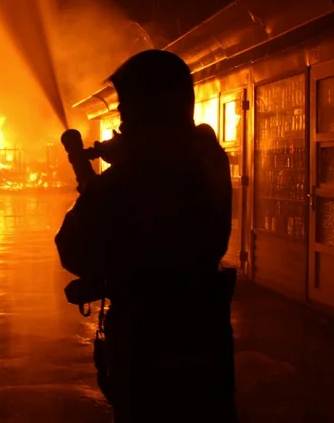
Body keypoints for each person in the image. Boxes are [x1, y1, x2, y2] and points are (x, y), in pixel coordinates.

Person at [55, 50, 238, 422]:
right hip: (206, 351)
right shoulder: (206, 160)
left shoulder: (133, 177)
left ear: (147, 111)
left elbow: (72, 249)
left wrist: (108, 177)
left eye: (125, 113)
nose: (122, 126)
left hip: (149, 358)